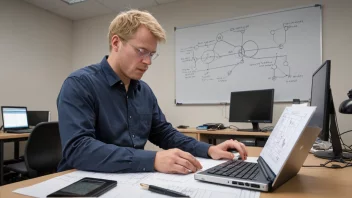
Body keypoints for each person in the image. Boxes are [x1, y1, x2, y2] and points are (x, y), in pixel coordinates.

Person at [57, 9, 248, 174]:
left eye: (151, 54)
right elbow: (78, 149)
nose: (148, 62)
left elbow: (165, 134)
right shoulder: (80, 84)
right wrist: (153, 160)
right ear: (116, 43)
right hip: (80, 180)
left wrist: (209, 149)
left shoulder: (143, 91)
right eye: (141, 51)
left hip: (129, 178)